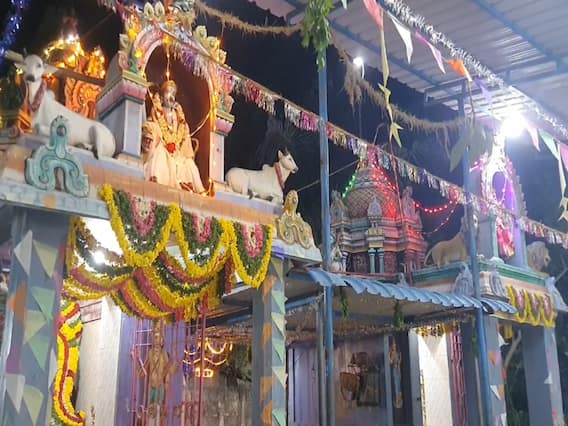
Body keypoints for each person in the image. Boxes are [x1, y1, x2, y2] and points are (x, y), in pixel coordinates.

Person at [142, 80, 206, 193]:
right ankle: (156, 180)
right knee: (160, 154)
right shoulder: (157, 111)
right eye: (168, 92)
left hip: (177, 151)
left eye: (173, 93)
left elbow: (184, 136)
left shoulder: (179, 116)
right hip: (162, 145)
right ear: (162, 96)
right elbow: (154, 127)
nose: (171, 96)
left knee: (189, 164)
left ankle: (192, 187)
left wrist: (180, 150)